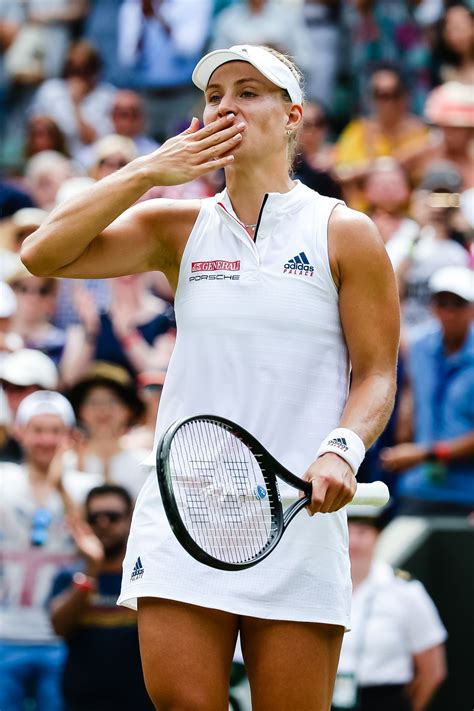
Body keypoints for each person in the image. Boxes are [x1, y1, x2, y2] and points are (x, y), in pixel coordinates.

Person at [21, 44, 400, 710]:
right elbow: (42, 253)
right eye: (215, 95)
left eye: (248, 91)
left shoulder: (347, 232)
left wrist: (341, 448)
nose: (226, 105)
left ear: (293, 117)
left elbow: (376, 373)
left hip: (297, 514)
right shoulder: (177, 226)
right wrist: (148, 169)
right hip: (184, 509)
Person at [0, 391, 78, 711]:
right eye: (38, 429)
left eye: (55, 430)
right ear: (20, 432)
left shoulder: (84, 486)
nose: (46, 439)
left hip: (61, 637)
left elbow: (96, 542)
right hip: (5, 633)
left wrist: (60, 483)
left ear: (69, 436)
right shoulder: (3, 479)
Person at [332, 505, 447, 711]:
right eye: (349, 531)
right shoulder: (322, 586)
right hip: (329, 697)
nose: (355, 542)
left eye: (363, 532)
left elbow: (433, 670)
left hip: (384, 699)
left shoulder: (405, 590)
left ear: (378, 536)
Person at [49, 484, 154, 711]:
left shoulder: (147, 577)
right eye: (95, 517)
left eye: (113, 517)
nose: (103, 523)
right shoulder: (71, 576)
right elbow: (59, 626)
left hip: (140, 702)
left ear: (130, 521)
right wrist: (92, 568)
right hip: (81, 701)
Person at [380, 265, 474, 516]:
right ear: (433, 307)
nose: (450, 312)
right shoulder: (421, 347)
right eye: (443, 304)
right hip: (418, 488)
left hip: (467, 495)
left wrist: (425, 454)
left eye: (458, 304)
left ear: (472, 309)